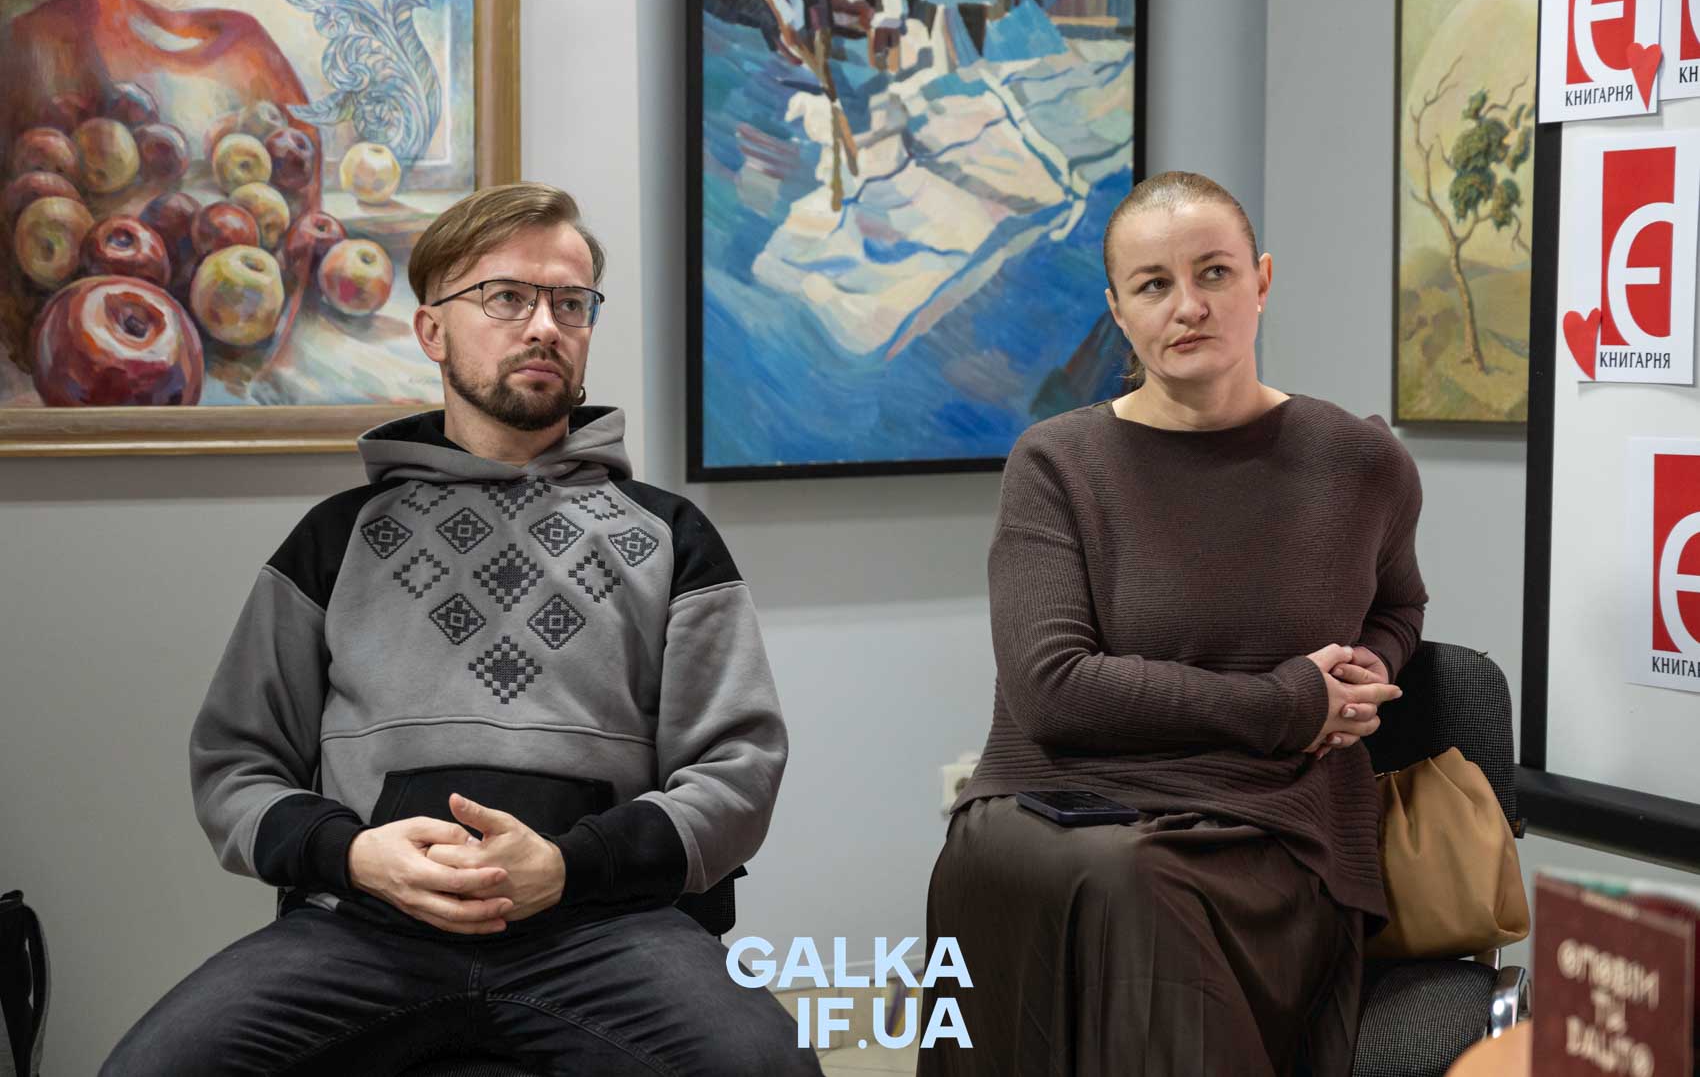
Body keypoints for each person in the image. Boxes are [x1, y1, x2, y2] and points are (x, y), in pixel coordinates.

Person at [104, 183, 820, 1077]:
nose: (545, 326)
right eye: (507, 297)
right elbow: (235, 763)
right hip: (363, 931)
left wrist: (572, 867)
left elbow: (738, 771)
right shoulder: (336, 539)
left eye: (570, 303)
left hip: (607, 931)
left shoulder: (671, 536)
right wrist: (353, 855)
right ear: (432, 331)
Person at [920, 171, 1425, 1076]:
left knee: (1138, 884)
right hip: (1056, 789)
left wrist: (1369, 668)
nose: (1188, 306)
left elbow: (1399, 601)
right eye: (1154, 285)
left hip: (1265, 816)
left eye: (1214, 273)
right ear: (1119, 311)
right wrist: (1285, 702)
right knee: (1045, 870)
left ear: (1261, 281)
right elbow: (1052, 690)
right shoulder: (1056, 464)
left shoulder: (1359, 461)